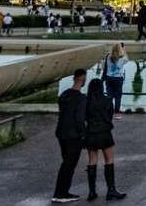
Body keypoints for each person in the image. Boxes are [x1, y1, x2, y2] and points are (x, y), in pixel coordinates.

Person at [83, 78, 126, 201]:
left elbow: (84, 118)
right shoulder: (107, 101)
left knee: (92, 160)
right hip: (104, 133)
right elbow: (109, 116)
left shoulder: (86, 102)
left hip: (91, 133)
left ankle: (92, 192)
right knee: (109, 159)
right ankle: (111, 190)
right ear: (102, 88)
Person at [53, 69, 88, 203]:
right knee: (69, 165)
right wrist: (83, 135)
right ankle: (61, 194)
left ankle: (60, 192)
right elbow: (80, 119)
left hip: (61, 133)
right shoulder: (81, 99)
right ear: (83, 78)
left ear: (74, 78)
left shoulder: (64, 95)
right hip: (73, 135)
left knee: (65, 163)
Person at [104, 44, 128, 120]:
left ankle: (108, 113)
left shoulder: (108, 57)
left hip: (109, 78)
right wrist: (123, 49)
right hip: (118, 79)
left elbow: (105, 66)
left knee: (109, 96)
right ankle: (117, 114)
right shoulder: (123, 59)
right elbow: (126, 57)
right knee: (118, 96)